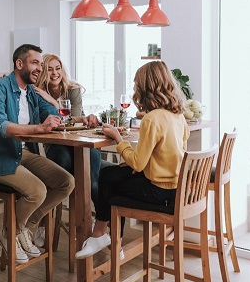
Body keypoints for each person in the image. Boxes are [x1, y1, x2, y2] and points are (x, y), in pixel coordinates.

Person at [75, 60, 190, 259]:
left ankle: (106, 237)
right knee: (110, 173)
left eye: (137, 85)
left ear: (146, 88)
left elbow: (138, 163)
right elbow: (172, 152)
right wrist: (132, 164)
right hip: (175, 187)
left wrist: (119, 139)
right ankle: (107, 240)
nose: (135, 89)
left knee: (109, 185)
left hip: (158, 190)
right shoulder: (177, 116)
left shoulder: (152, 119)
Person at [0, 44, 75, 264]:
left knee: (66, 182)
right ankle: (10, 233)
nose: (40, 68)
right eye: (35, 63)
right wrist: (38, 128)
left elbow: (54, 116)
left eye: (41, 63)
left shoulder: (31, 92)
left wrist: (50, 102)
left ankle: (25, 228)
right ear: (19, 64)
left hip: (22, 153)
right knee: (37, 191)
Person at [32, 53, 104, 247]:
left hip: (77, 141)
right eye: (50, 69)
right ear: (44, 72)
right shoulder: (37, 91)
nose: (55, 73)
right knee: (60, 169)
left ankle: (99, 228)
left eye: (58, 68)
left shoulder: (72, 89)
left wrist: (54, 102)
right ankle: (42, 224)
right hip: (55, 144)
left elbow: (73, 118)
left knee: (93, 175)